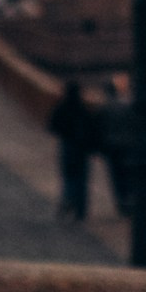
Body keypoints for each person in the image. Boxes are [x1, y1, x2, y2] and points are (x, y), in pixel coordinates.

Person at [47, 80, 97, 222]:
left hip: (67, 145)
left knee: (69, 175)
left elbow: (52, 126)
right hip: (82, 148)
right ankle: (81, 210)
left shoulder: (62, 108)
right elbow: (92, 128)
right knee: (82, 179)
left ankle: (68, 198)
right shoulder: (83, 109)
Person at [97, 73, 135, 216]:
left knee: (116, 176)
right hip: (127, 145)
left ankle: (121, 202)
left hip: (111, 145)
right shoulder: (128, 105)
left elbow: (99, 128)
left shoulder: (105, 107)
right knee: (128, 175)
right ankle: (129, 202)